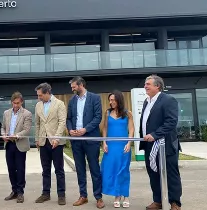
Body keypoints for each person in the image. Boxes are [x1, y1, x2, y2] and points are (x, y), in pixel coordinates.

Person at [139, 75, 182, 210]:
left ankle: (175, 203)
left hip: (166, 145)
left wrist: (155, 134)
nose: (145, 86)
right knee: (153, 173)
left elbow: (171, 122)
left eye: (148, 84)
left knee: (170, 174)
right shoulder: (147, 101)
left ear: (157, 86)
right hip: (149, 145)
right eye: (145, 84)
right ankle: (157, 200)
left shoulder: (168, 100)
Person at [66, 76, 104, 208]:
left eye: (74, 86)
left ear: (81, 84)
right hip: (76, 140)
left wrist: (85, 129)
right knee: (80, 169)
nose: (72, 89)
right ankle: (83, 196)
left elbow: (98, 117)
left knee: (95, 169)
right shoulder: (72, 100)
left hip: (90, 139)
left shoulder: (95, 98)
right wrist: (70, 129)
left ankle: (98, 197)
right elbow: (69, 118)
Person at [34, 82, 67, 205]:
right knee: (45, 170)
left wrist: (57, 138)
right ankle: (45, 193)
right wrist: (37, 139)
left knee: (59, 170)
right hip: (43, 142)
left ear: (47, 93)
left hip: (56, 142)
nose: (39, 97)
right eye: (38, 95)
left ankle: (61, 195)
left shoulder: (59, 104)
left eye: (40, 95)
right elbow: (37, 123)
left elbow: (62, 122)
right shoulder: (38, 106)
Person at [101, 90, 134, 208]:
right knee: (111, 170)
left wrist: (129, 143)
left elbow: (131, 129)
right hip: (110, 146)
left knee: (123, 170)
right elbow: (104, 129)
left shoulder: (127, 113)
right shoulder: (107, 113)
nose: (111, 102)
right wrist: (104, 143)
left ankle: (125, 196)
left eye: (113, 100)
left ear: (119, 100)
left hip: (123, 146)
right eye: (110, 100)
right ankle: (117, 195)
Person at [1, 92, 33, 203]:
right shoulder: (6, 113)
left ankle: (20, 192)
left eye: (18, 103)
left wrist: (17, 135)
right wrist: (3, 134)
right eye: (14, 103)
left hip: (20, 145)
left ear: (22, 102)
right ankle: (14, 190)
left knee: (20, 169)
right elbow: (3, 127)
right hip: (9, 144)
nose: (15, 105)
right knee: (10, 169)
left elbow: (27, 129)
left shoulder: (27, 114)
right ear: (11, 102)